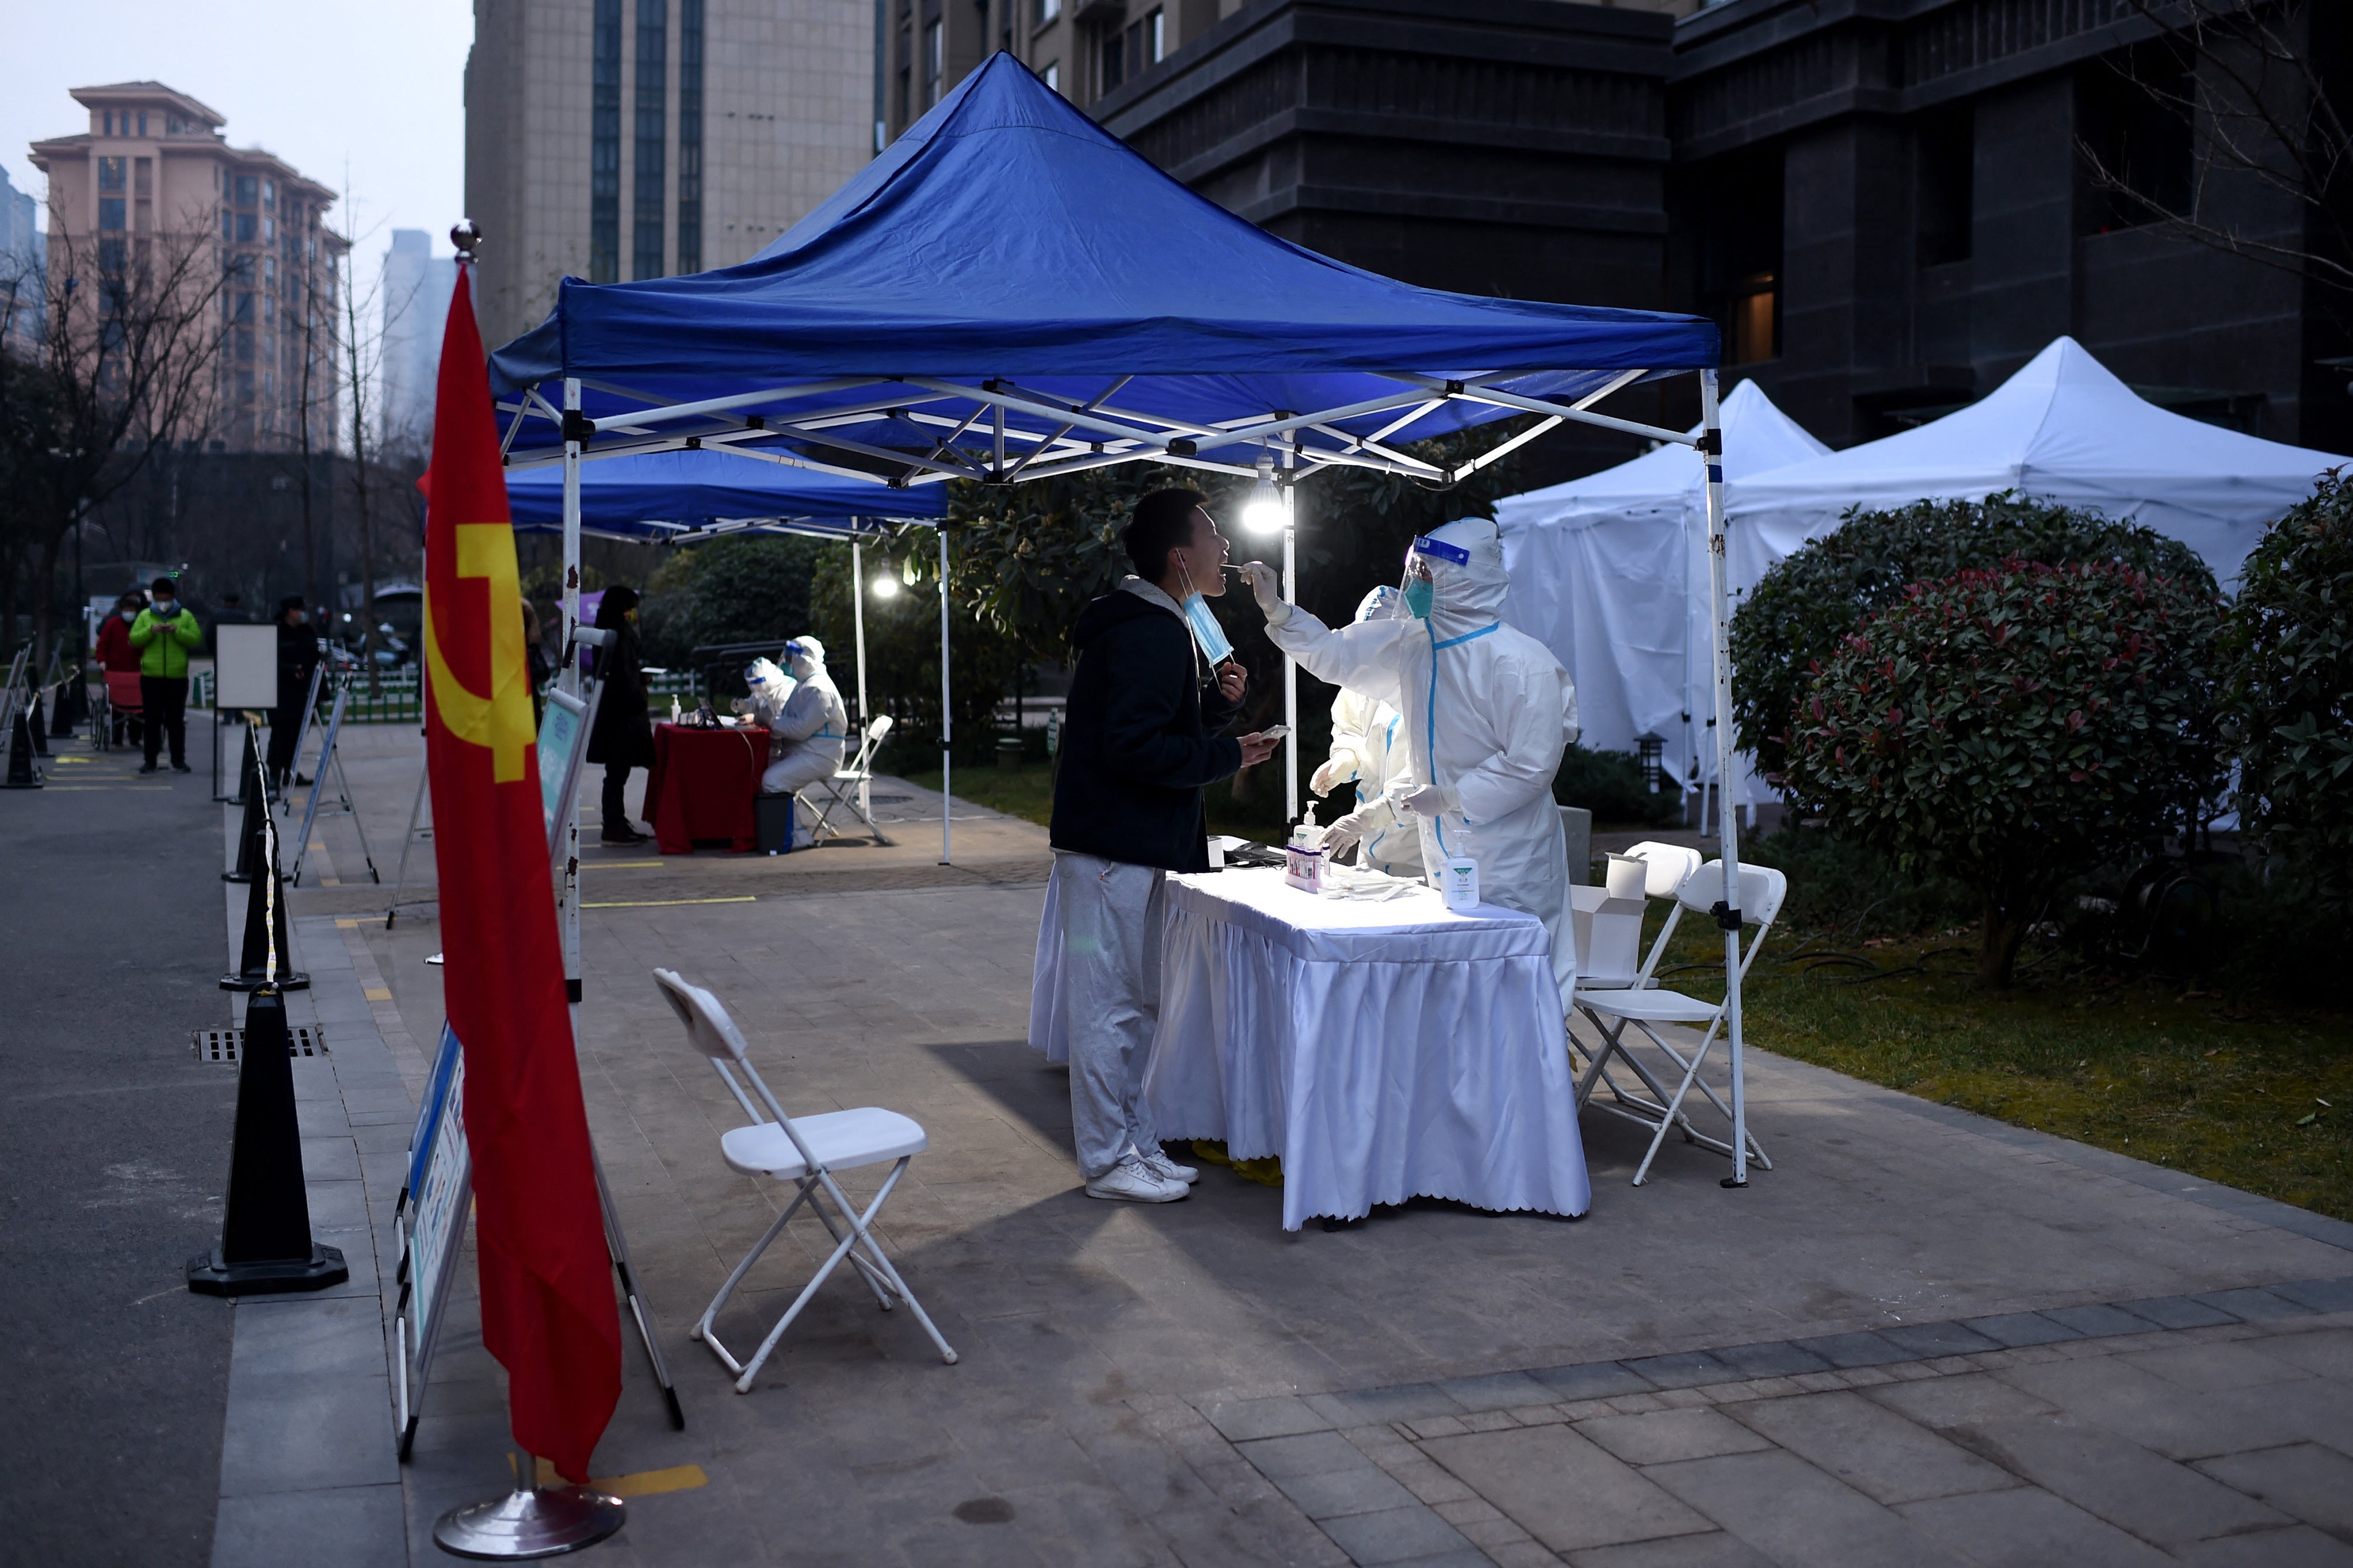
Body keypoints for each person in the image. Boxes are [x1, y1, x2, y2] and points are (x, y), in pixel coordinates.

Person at [1028, 488, 1281, 1203]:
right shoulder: (1148, 628)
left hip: (1127, 845)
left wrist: (1215, 712)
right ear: (1179, 555)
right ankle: (1108, 1160)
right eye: (1213, 535)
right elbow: (1135, 748)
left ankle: (1132, 1142)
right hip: (1113, 847)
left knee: (1133, 1004)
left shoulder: (1158, 624)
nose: (1225, 549)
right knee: (1108, 1005)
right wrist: (1227, 755)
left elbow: (1145, 726)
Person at [1244, 517, 1580, 1007]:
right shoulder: (1415, 646)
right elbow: (1337, 652)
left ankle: (1534, 1081)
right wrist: (1278, 611)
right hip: (1444, 855)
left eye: (1426, 572)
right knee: (1456, 990)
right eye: (1416, 570)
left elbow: (1532, 764)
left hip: (1513, 859)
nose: (1415, 584)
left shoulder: (1521, 662)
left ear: (1461, 581)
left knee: (1518, 984)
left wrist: (1453, 797)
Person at [1308, 586, 1425, 879]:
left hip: (1421, 856)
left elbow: (1427, 776)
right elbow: (1351, 727)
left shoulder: (1429, 685)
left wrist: (1369, 817)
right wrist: (1344, 760)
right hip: (1371, 851)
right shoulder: (1364, 677)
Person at [585, 585, 655, 844]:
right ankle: (614, 823)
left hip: (612, 710)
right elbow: (624, 675)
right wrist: (640, 688)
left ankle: (614, 820)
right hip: (624, 714)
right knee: (618, 771)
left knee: (615, 771)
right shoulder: (620, 634)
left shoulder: (603, 628)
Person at [755, 637, 848, 803]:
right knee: (758, 769)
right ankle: (782, 826)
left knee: (772, 781)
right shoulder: (804, 685)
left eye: (791, 659)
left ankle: (795, 829)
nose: (788, 663)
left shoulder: (820, 690)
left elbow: (801, 730)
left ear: (803, 659)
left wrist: (772, 722)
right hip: (806, 751)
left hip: (820, 755)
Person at [128, 576, 204, 773]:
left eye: (166, 598)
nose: (163, 603)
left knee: (176, 721)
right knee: (151, 720)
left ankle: (178, 759)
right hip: (151, 675)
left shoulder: (185, 616)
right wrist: (150, 631)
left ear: (173, 597)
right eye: (159, 598)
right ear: (153, 598)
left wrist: (177, 631)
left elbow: (195, 639)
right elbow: (134, 639)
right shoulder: (145, 616)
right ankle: (150, 759)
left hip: (176, 676)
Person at [266, 596, 323, 793]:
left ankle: (291, 771)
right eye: (300, 610)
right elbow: (270, 658)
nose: (303, 614)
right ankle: (274, 773)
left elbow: (313, 654)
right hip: (281, 691)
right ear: (291, 611)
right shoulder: (276, 631)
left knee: (297, 734)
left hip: (302, 690)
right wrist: (290, 669)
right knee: (280, 734)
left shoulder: (305, 631)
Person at [94, 591, 146, 748]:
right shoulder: (112, 625)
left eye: (132, 610)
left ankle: (135, 737)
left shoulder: (140, 626)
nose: (129, 613)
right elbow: (103, 645)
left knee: (140, 706)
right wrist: (102, 661)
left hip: (136, 672)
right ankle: (117, 737)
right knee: (115, 705)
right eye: (127, 610)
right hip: (115, 672)